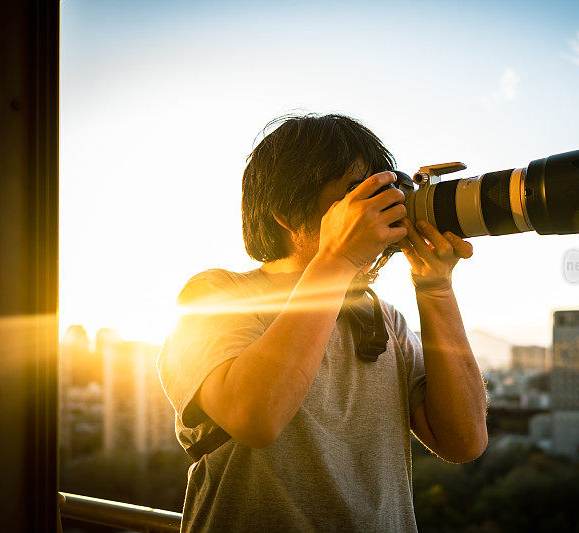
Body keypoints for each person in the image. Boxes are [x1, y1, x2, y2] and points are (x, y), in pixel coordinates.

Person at [156, 113, 488, 532]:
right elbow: (254, 417)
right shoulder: (216, 296)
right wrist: (336, 260)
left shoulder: (382, 318)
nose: (382, 209)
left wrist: (436, 290)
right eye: (357, 194)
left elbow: (464, 441)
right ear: (285, 210)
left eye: (385, 191)